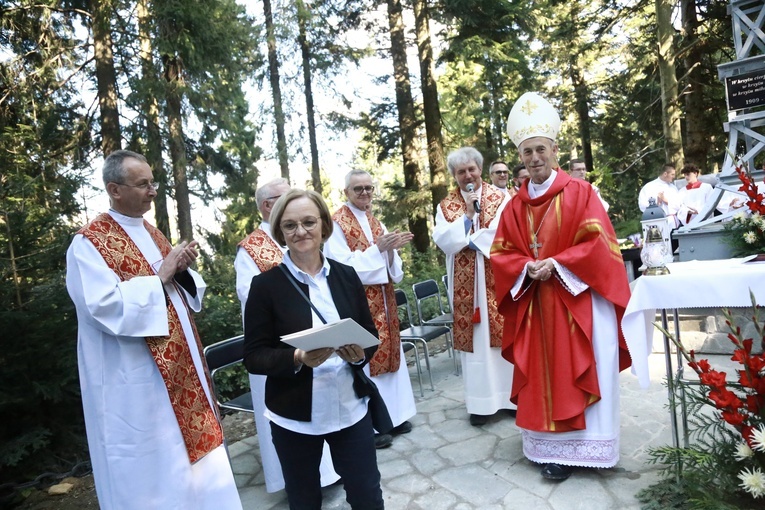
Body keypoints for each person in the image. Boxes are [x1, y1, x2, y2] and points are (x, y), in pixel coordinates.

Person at [65, 150, 242, 509]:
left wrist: (181, 270)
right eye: (143, 184)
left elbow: (178, 290)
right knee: (153, 460)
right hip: (134, 380)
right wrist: (160, 276)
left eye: (153, 182)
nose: (152, 191)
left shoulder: (151, 231)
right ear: (114, 189)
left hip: (181, 372)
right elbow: (102, 306)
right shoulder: (89, 243)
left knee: (196, 464)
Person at [492, 92, 632, 482]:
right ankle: (549, 450)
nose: (534, 158)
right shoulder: (514, 207)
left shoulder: (581, 193)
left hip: (578, 301)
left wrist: (557, 263)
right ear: (520, 157)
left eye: (540, 149)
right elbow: (501, 253)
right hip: (536, 306)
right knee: (541, 374)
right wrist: (525, 267)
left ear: (554, 150)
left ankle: (592, 449)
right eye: (527, 152)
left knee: (582, 368)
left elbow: (599, 244)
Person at [244, 189, 385, 510]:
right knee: (305, 501)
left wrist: (360, 354)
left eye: (308, 222)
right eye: (290, 225)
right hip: (295, 416)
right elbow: (253, 356)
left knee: (367, 496)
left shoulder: (347, 276)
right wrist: (297, 357)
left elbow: (371, 337)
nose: (301, 232)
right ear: (280, 231)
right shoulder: (265, 287)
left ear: (323, 225)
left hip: (350, 408)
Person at [235, 178, 339, 492]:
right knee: (295, 431)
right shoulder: (250, 248)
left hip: (324, 347)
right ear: (269, 205)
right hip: (282, 350)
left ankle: (332, 473)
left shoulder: (306, 230)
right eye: (285, 199)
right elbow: (248, 293)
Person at [324, 170, 417, 449]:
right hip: (358, 302)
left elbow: (392, 266)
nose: (365, 193)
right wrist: (378, 250)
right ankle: (373, 423)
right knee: (367, 358)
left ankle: (395, 416)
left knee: (390, 359)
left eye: (368, 188)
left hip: (385, 301)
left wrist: (389, 251)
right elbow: (341, 265)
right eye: (358, 189)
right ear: (346, 192)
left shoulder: (377, 222)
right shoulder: (335, 224)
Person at [432, 147, 516, 427]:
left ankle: (510, 399)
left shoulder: (501, 197)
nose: (467, 175)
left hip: (498, 278)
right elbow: (443, 240)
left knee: (504, 338)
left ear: (480, 170)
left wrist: (473, 238)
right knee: (477, 345)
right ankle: (481, 405)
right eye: (460, 172)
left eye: (471, 169)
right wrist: (467, 218)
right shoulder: (446, 206)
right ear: (454, 176)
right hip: (467, 287)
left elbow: (508, 232)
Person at [638, 163, 680, 227]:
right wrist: (657, 204)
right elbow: (642, 205)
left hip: (672, 221)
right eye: (672, 174)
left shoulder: (673, 188)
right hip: (656, 221)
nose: (674, 177)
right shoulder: (649, 187)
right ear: (665, 174)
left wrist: (666, 201)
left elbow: (679, 205)